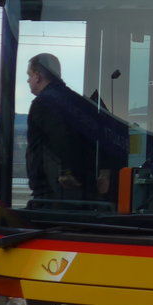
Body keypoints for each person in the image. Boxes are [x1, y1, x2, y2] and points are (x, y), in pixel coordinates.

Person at [25, 53, 103, 200]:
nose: (28, 80)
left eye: (29, 75)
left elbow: (60, 136)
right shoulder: (78, 101)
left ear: (37, 76)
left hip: (54, 187)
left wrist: (66, 171)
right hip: (84, 185)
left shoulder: (43, 103)